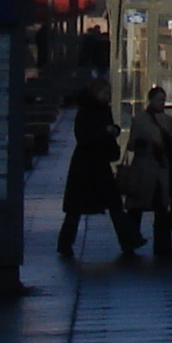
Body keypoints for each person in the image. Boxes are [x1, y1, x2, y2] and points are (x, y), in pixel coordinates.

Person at [59, 81, 128, 256]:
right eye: (104, 93)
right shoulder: (87, 111)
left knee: (112, 204)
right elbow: (83, 137)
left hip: (95, 163)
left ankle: (129, 241)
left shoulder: (101, 109)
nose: (106, 96)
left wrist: (113, 131)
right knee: (79, 209)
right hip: (87, 165)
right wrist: (106, 132)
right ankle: (65, 244)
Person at [118, 86, 172, 256]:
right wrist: (140, 144)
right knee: (137, 208)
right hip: (144, 170)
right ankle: (131, 240)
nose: (162, 102)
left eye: (163, 99)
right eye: (159, 99)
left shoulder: (168, 121)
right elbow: (131, 144)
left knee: (161, 208)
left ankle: (163, 244)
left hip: (161, 169)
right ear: (151, 100)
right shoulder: (140, 119)